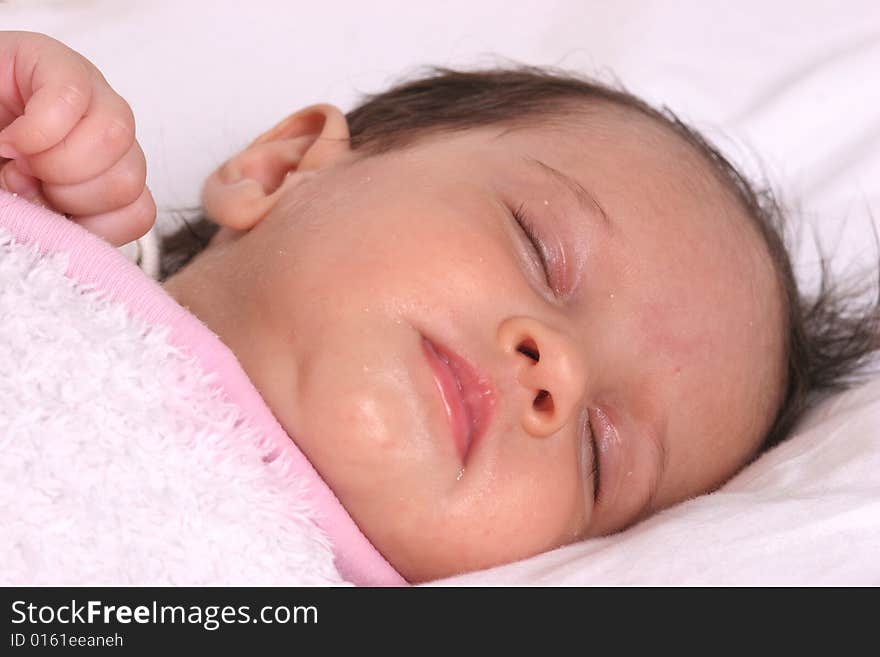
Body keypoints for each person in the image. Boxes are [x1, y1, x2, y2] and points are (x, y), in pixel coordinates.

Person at [1, 30, 877, 583]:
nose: (557, 371)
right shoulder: (38, 244)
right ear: (280, 169)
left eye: (599, 452)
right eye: (539, 248)